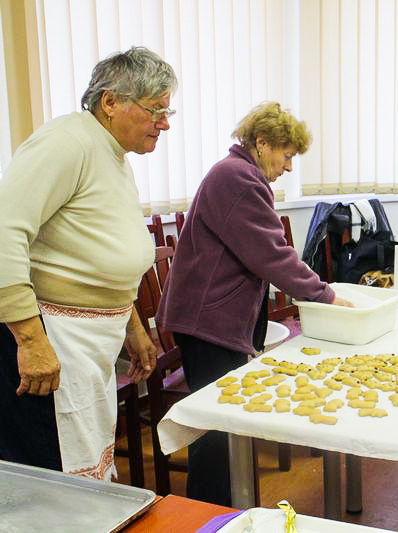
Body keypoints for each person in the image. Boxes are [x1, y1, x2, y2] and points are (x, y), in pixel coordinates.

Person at [156, 101, 351, 506]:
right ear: (262, 142)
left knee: (222, 423)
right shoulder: (239, 179)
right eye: (287, 155)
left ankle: (224, 510)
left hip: (208, 319)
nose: (289, 167)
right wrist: (325, 295)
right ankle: (208, 517)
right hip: (207, 322)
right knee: (216, 428)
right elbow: (272, 254)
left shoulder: (238, 173)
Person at [0, 47, 176, 480]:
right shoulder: (67, 142)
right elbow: (5, 231)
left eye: (168, 111)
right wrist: (30, 340)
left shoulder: (111, 153)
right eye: (155, 110)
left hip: (89, 342)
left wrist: (133, 327)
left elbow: (98, 253)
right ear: (110, 101)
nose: (165, 123)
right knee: (52, 479)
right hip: (50, 338)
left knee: (83, 467)